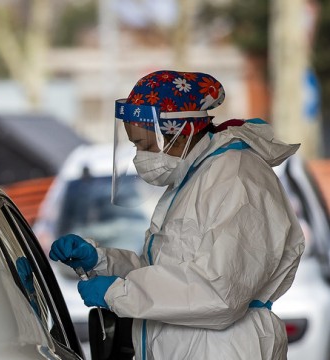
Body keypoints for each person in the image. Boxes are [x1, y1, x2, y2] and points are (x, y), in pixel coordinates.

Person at [49, 70, 305, 360]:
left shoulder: (236, 179)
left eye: (145, 145)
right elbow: (167, 271)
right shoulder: (196, 176)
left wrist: (118, 293)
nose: (139, 157)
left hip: (225, 350)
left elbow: (220, 293)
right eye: (135, 145)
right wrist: (104, 262)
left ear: (181, 132)